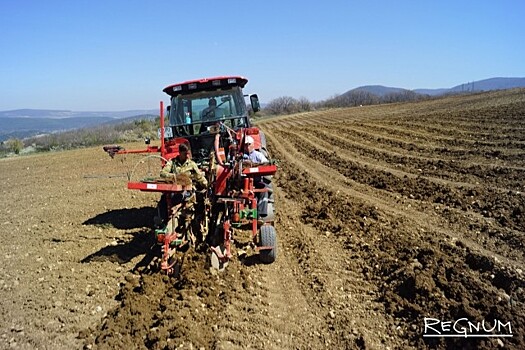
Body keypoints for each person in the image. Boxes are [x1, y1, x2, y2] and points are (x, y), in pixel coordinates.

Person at [157, 143, 208, 234]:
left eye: (188, 153)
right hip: (173, 190)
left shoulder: (191, 164)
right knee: (163, 202)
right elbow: (162, 173)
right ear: (180, 153)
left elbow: (199, 177)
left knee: (182, 199)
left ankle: (183, 221)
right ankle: (163, 222)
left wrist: (207, 185)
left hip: (187, 191)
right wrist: (175, 177)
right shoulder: (172, 162)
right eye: (185, 154)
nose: (187, 156)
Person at [242, 135, 270, 222]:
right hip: (242, 183)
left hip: (256, 181)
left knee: (264, 190)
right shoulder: (241, 156)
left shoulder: (258, 155)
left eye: (249, 144)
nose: (247, 146)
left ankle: (260, 215)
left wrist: (254, 165)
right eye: (246, 145)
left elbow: (266, 163)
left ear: (253, 144)